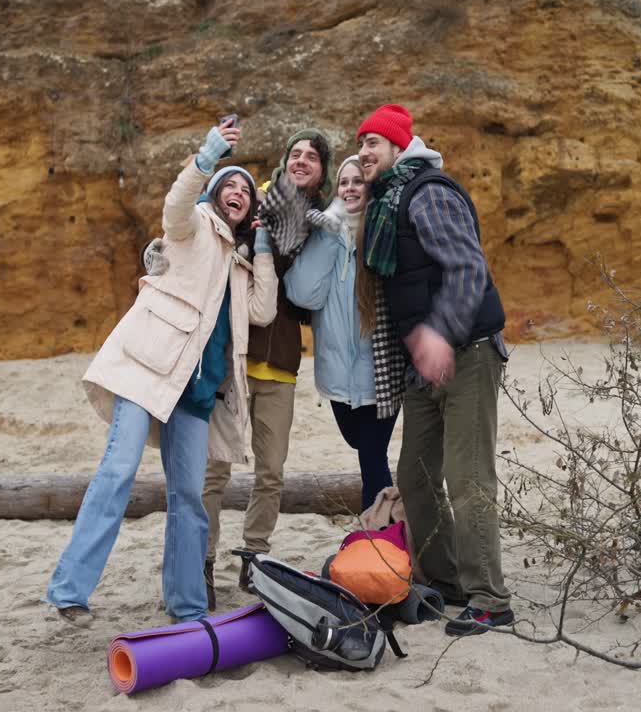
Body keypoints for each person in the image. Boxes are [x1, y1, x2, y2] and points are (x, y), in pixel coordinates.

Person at [43, 118, 277, 626]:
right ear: (215, 195)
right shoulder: (191, 226)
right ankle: (70, 590)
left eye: (245, 191)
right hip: (146, 372)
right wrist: (208, 155)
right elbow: (175, 204)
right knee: (117, 473)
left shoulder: (239, 265)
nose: (237, 193)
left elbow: (263, 311)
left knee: (188, 499)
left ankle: (188, 605)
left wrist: (260, 248)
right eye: (228, 186)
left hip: (196, 396)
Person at [144, 128, 335, 610]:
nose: (302, 161)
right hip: (233, 361)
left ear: (323, 168)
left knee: (271, 472)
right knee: (214, 470)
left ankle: (255, 558)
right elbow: (194, 240)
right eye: (295, 153)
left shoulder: (323, 223)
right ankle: (203, 562)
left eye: (312, 156)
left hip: (284, 364)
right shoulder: (255, 207)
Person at [355, 103, 514, 637]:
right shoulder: (385, 206)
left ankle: (490, 599)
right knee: (416, 479)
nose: (363, 151)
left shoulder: (428, 193)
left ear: (401, 146)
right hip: (425, 370)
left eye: (373, 142)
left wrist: (440, 333)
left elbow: (468, 268)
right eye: (360, 143)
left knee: (466, 477)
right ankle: (447, 583)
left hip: (467, 352)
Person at [285, 155, 399, 512]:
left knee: (371, 458)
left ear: (370, 188)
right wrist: (331, 235)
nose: (350, 188)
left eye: (358, 181)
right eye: (344, 182)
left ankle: (379, 538)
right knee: (359, 444)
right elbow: (303, 294)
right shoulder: (324, 233)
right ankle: (388, 527)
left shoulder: (382, 231)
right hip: (336, 375)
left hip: (381, 371)